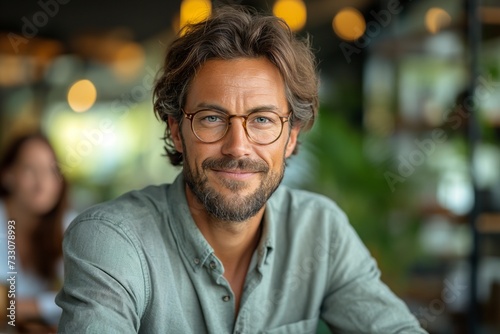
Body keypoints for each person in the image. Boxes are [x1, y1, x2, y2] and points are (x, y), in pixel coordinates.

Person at [56, 6, 426, 333]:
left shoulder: (320, 232)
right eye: (212, 117)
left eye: (262, 119)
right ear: (176, 131)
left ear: (292, 137)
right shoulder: (114, 241)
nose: (237, 147)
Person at [0, 133, 75, 331]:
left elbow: (84, 296)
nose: (42, 183)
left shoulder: (71, 227)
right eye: (30, 170)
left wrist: (21, 308)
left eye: (51, 171)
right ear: (7, 175)